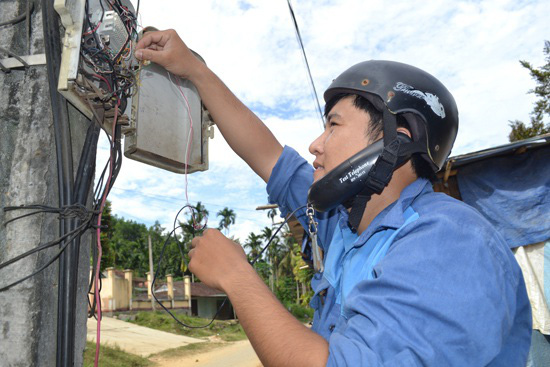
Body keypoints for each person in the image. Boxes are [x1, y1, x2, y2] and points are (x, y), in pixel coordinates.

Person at [135, 29, 532, 366]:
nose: (315, 144)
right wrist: (194, 70)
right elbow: (269, 156)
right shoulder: (342, 224)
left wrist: (236, 276)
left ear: (396, 141)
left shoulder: (450, 241)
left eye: (333, 126)